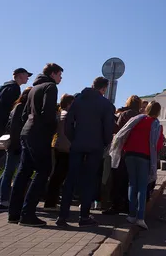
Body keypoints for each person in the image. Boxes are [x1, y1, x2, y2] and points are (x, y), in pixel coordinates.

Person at [56, 77, 115, 228]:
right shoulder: (106, 105)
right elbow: (108, 128)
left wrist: (73, 138)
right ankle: (84, 217)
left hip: (77, 145)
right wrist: (104, 142)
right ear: (104, 89)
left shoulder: (78, 100)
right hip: (95, 147)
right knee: (89, 181)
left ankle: (62, 216)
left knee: (70, 179)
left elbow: (69, 122)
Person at [8, 63, 63, 226]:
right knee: (43, 171)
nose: (61, 78)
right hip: (39, 134)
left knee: (23, 172)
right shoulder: (50, 87)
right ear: (53, 74)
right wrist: (54, 126)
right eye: (60, 74)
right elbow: (48, 113)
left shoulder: (33, 89)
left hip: (27, 133)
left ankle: (14, 214)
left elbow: (25, 114)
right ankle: (27, 214)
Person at [110, 101, 163, 230]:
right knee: (142, 186)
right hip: (144, 156)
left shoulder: (137, 119)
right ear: (158, 112)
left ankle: (131, 214)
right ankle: (140, 217)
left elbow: (124, 133)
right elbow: (158, 144)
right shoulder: (155, 124)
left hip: (129, 154)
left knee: (132, 184)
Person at [0, 68, 32, 187]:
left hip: (1, 124)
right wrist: (6, 127)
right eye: (26, 75)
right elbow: (6, 110)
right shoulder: (13, 88)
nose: (28, 78)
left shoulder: (9, 87)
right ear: (19, 75)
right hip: (4, 126)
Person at [0, 88, 31, 210]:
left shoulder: (17, 107)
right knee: (9, 173)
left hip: (15, 144)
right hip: (16, 144)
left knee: (7, 171)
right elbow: (15, 127)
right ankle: (4, 201)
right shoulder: (20, 108)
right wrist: (16, 144)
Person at [103, 95, 142, 215]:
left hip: (122, 150)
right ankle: (128, 205)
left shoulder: (125, 115)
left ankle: (116, 205)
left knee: (118, 178)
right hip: (135, 151)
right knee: (131, 180)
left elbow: (118, 130)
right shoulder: (141, 117)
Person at [44, 94, 75, 209]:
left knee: (56, 175)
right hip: (64, 148)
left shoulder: (59, 114)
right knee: (59, 176)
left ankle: (51, 201)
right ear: (68, 103)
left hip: (57, 146)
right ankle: (51, 202)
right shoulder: (66, 116)